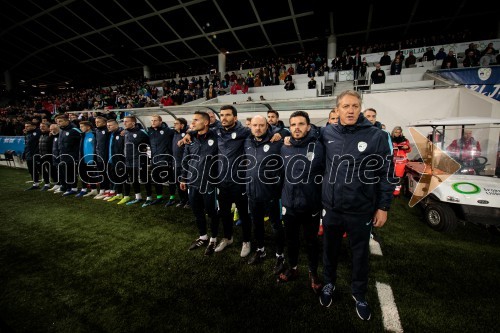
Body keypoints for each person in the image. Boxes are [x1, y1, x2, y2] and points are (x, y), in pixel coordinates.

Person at [319, 90, 396, 321]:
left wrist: (383, 207)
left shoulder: (376, 136)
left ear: (360, 108)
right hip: (331, 207)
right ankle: (328, 284)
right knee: (329, 249)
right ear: (337, 110)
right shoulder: (326, 132)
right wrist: (281, 136)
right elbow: (302, 134)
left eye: (354, 106)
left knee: (360, 254)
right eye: (345, 106)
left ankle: (359, 293)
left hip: (361, 208)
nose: (350, 110)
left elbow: (386, 174)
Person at [278, 111, 324, 294]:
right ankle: (294, 268)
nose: (297, 127)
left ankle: (313, 272)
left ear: (308, 126)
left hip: (311, 205)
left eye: (301, 124)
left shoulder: (319, 146)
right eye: (293, 124)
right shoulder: (284, 147)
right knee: (292, 240)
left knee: (311, 242)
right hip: (289, 204)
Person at [244, 115, 285, 272]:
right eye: (255, 125)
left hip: (271, 194)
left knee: (276, 225)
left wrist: (284, 133)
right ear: (251, 126)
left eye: (261, 125)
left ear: (267, 126)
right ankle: (260, 250)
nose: (258, 128)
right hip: (252, 192)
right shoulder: (247, 141)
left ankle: (280, 255)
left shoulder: (276, 140)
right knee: (257, 223)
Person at [180, 111, 220, 255]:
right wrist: (184, 177)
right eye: (192, 120)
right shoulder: (190, 139)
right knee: (197, 211)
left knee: (212, 212)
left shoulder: (216, 136)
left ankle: (214, 239)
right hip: (193, 181)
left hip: (210, 183)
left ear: (206, 122)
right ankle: (203, 236)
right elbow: (186, 158)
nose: (193, 122)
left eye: (196, 120)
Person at [116, 116, 150, 205]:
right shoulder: (125, 132)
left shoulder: (141, 132)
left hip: (140, 159)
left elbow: (150, 143)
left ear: (133, 123)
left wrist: (145, 149)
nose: (124, 123)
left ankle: (149, 198)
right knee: (133, 179)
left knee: (144, 179)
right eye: (124, 121)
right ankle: (138, 197)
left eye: (126, 121)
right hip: (128, 160)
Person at [144, 115, 175, 208]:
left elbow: (179, 132)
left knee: (170, 180)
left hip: (167, 160)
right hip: (155, 160)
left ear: (161, 121)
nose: (153, 122)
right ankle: (159, 197)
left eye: (155, 120)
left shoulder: (168, 131)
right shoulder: (149, 131)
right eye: (152, 120)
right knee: (156, 180)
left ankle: (172, 198)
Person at [55, 115, 82, 196]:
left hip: (72, 156)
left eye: (60, 121)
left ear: (67, 121)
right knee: (65, 173)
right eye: (57, 122)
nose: (58, 123)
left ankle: (73, 188)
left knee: (71, 173)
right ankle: (68, 187)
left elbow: (83, 138)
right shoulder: (62, 131)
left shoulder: (74, 130)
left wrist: (77, 155)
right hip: (63, 156)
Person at [75, 121, 98, 198]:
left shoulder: (94, 134)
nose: (80, 128)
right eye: (80, 126)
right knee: (82, 174)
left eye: (82, 126)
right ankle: (84, 189)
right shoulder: (82, 135)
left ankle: (94, 189)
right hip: (82, 158)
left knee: (91, 175)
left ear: (88, 127)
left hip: (91, 159)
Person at [105, 119, 126, 202]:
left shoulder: (122, 134)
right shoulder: (110, 134)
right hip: (111, 160)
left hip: (120, 161)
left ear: (116, 125)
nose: (108, 127)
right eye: (107, 125)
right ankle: (118, 194)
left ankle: (126, 195)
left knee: (122, 179)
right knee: (114, 178)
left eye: (110, 125)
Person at [171, 118, 189, 208]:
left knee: (186, 183)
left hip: (185, 164)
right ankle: (183, 200)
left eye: (176, 123)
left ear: (182, 125)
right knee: (178, 183)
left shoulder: (187, 134)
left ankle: (189, 201)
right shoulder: (174, 134)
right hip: (176, 163)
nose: (174, 125)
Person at [391, 126, 411, 196]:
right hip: (392, 161)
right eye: (396, 132)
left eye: (399, 132)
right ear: (393, 132)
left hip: (401, 162)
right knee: (391, 175)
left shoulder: (405, 140)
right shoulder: (390, 139)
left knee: (398, 176)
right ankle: (390, 189)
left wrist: (407, 147)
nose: (398, 134)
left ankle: (396, 192)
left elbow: (409, 150)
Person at [23, 121, 41, 190]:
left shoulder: (38, 132)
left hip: (36, 155)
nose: (26, 128)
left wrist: (36, 153)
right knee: (31, 170)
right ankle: (35, 184)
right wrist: (24, 154)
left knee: (41, 169)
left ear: (33, 126)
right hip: (29, 155)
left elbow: (39, 144)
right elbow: (26, 145)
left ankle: (50, 183)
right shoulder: (27, 134)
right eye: (25, 126)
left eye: (28, 126)